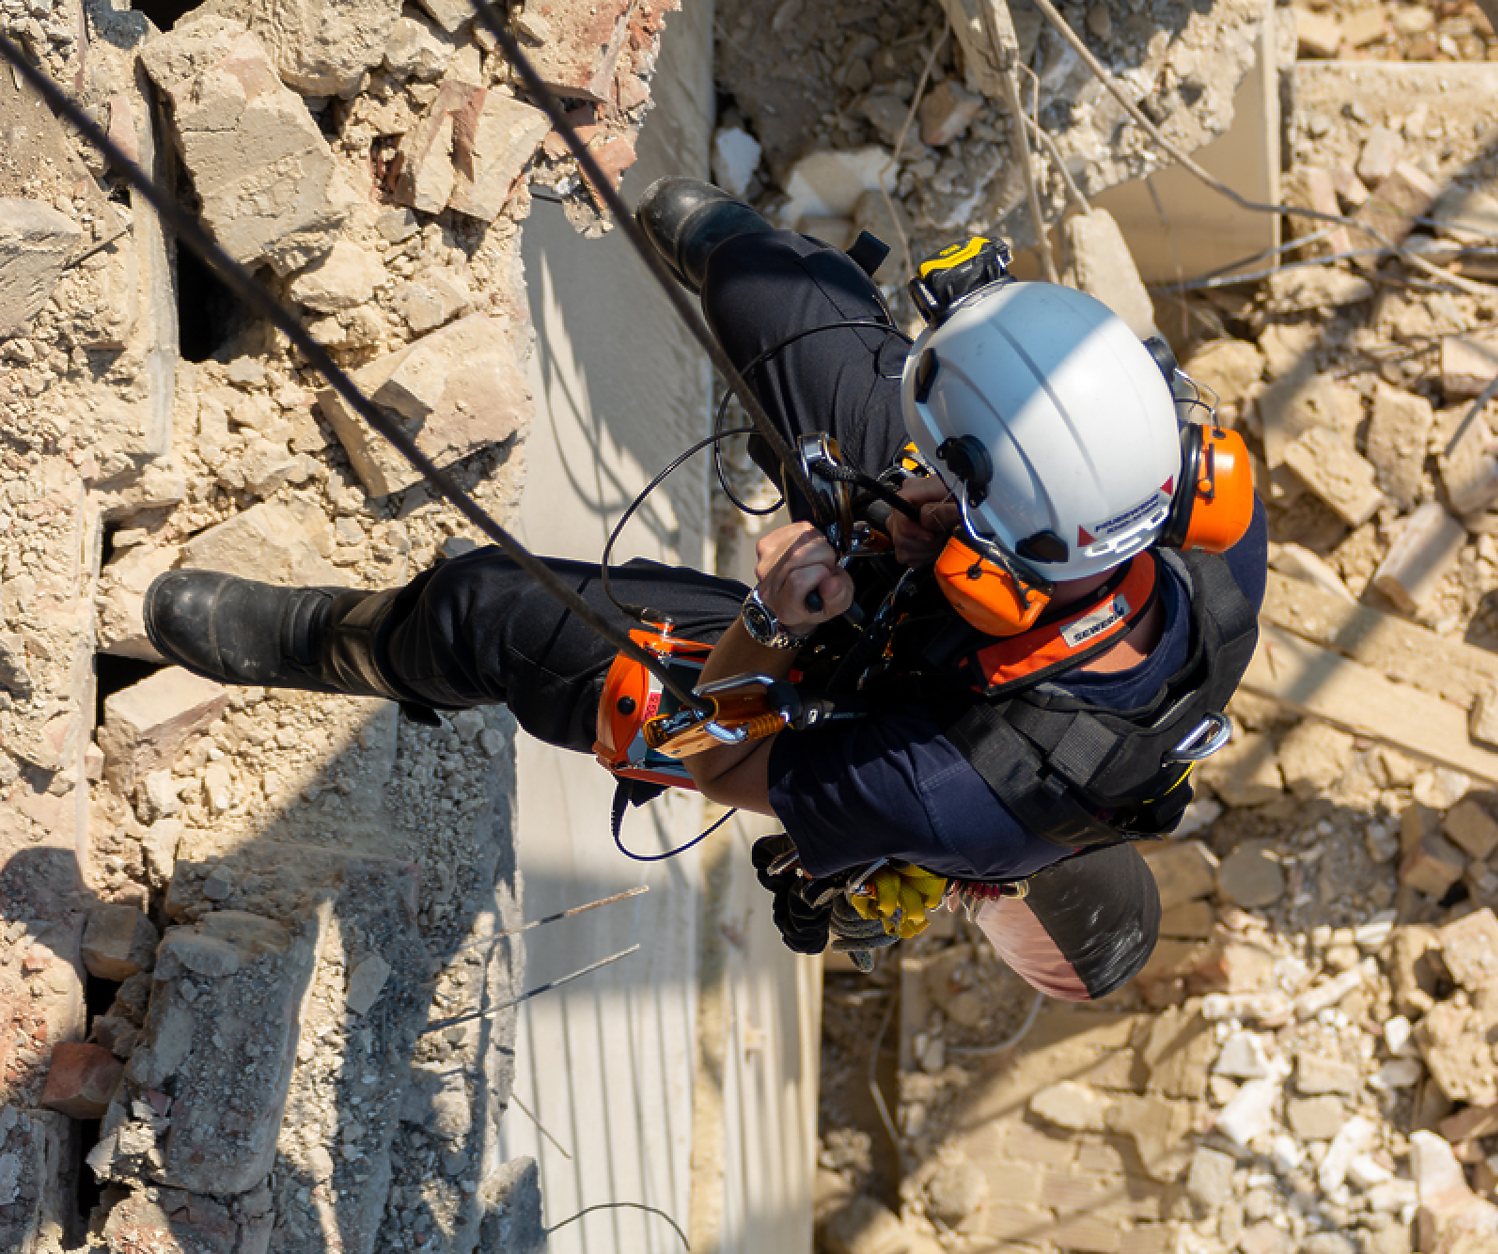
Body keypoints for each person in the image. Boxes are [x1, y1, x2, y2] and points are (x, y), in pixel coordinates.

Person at [142, 179, 1269, 1000]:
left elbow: (709, 758)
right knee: (796, 300)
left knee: (497, 616)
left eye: (932, 481)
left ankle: (325, 640)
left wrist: (772, 619)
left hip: (861, 681)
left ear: (978, 544)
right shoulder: (1203, 531)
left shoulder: (951, 791)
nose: (908, 479)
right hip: (986, 585)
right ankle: (724, 244)